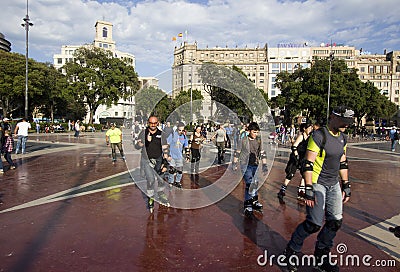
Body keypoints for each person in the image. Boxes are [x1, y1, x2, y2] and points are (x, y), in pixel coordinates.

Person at [282, 106, 354, 272]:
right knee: (314, 223)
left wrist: (346, 184)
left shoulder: (343, 137)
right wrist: (308, 187)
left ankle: (321, 256)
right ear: (333, 117)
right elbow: (308, 163)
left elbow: (343, 162)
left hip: (333, 183)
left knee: (335, 222)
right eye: (344, 121)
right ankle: (291, 250)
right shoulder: (319, 135)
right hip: (317, 182)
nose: (347, 125)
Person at [232, 122, 268, 217]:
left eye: (257, 132)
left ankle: (254, 200)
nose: (255, 134)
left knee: (255, 182)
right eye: (254, 132)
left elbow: (262, 152)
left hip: (255, 164)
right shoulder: (243, 140)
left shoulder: (259, 141)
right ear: (249, 131)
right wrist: (234, 163)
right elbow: (238, 152)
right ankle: (248, 203)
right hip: (245, 164)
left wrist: (264, 165)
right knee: (249, 183)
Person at [136, 116, 170, 211]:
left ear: (158, 123)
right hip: (147, 160)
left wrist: (165, 163)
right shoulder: (143, 133)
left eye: (155, 123)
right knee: (150, 180)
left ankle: (160, 193)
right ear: (148, 123)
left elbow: (165, 149)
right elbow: (137, 146)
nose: (153, 125)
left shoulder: (161, 134)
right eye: (151, 123)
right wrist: (145, 142)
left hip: (158, 159)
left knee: (161, 179)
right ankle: (150, 197)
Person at [277, 121, 314, 203]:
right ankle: (282, 191)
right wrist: (296, 155)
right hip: (296, 158)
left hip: (303, 158)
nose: (311, 129)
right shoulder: (301, 136)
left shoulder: (310, 137)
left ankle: (301, 191)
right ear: (304, 129)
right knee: (290, 174)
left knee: (305, 174)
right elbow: (294, 146)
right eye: (309, 127)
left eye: (311, 127)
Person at [166, 122, 189, 188]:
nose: (181, 131)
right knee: (172, 170)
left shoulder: (184, 136)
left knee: (180, 170)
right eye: (179, 130)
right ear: (177, 129)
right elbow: (167, 145)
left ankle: (177, 181)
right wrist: (168, 155)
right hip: (172, 155)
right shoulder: (173, 135)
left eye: (182, 130)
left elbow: (186, 146)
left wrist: (187, 156)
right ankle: (171, 182)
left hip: (179, 156)